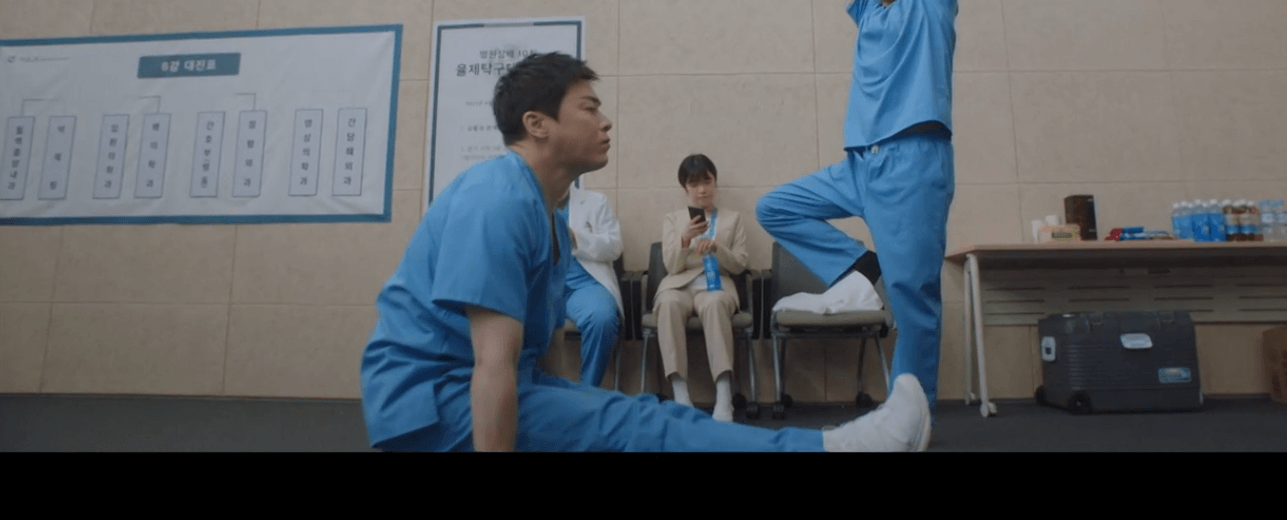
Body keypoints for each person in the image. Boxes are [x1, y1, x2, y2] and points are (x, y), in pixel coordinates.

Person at [359, 51, 932, 451]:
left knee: (632, 416)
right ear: (537, 124)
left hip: (491, 384)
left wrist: (575, 413)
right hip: (435, 400)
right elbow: (492, 366)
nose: (605, 121)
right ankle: (834, 450)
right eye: (588, 108)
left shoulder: (549, 216)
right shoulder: (496, 201)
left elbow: (544, 357)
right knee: (634, 427)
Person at [756, 0, 958, 429]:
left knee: (912, 297)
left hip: (914, 163)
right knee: (775, 207)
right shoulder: (868, 10)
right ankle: (860, 268)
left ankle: (910, 417)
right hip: (859, 166)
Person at [654, 154, 747, 422]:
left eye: (707, 182)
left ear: (715, 183)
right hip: (679, 284)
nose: (702, 190)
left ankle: (724, 395)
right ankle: (680, 393)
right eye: (694, 184)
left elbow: (740, 264)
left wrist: (718, 249)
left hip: (716, 284)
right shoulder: (673, 219)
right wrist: (684, 240)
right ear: (685, 188)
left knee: (715, 304)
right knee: (668, 304)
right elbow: (671, 267)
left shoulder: (732, 219)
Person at [556, 183, 625, 387]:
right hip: (543, 288)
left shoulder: (595, 202)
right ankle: (532, 393)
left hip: (585, 286)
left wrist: (576, 238)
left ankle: (588, 390)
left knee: (601, 318)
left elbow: (614, 247)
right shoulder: (527, 204)